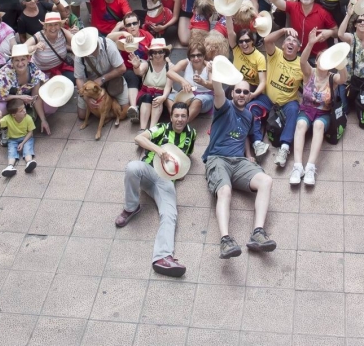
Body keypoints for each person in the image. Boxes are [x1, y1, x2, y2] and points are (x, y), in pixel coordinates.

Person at [115, 100, 196, 277]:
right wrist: (159, 150)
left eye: (183, 116)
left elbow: (186, 156)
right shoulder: (162, 128)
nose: (180, 119)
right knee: (132, 167)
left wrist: (181, 171)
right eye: (176, 116)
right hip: (148, 171)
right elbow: (138, 138)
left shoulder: (192, 134)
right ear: (171, 116)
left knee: (170, 214)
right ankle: (131, 207)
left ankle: (163, 257)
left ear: (188, 117)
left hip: (166, 182)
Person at [202, 73, 276, 259]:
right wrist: (215, 72)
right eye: (238, 91)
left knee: (266, 181)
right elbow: (218, 91)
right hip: (218, 158)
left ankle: (258, 233)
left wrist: (249, 155)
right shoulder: (224, 107)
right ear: (232, 94)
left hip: (239, 162)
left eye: (245, 92)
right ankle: (225, 241)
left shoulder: (249, 115)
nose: (242, 94)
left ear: (250, 95)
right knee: (225, 191)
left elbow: (245, 136)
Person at [289, 29, 346, 187]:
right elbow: (302, 61)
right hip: (306, 110)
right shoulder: (310, 73)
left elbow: (344, 78)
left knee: (319, 125)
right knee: (300, 124)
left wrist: (339, 62)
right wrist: (311, 42)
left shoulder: (332, 77)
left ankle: (310, 168)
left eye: (328, 59)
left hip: (323, 113)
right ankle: (297, 167)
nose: (324, 62)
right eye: (322, 58)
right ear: (317, 61)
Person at [248, 23, 304, 165]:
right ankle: (257, 143)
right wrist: (285, 29)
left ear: (298, 48)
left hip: (287, 104)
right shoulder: (276, 54)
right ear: (283, 45)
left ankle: (284, 149)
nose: (291, 43)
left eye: (294, 42)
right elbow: (267, 40)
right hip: (268, 100)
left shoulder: (301, 63)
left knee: (294, 109)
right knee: (251, 108)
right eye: (288, 40)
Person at [72, 26, 128, 121]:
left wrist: (103, 79)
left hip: (112, 79)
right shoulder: (79, 55)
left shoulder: (108, 45)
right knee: (81, 115)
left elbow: (122, 68)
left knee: (124, 111)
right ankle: (105, 109)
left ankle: (107, 108)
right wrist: (86, 98)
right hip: (90, 86)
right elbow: (79, 78)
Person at [167, 40, 214, 121]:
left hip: (204, 97)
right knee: (168, 97)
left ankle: (183, 124)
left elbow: (214, 86)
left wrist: (203, 82)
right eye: (193, 56)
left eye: (199, 55)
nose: (196, 58)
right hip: (188, 95)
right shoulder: (186, 63)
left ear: (203, 55)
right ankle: (174, 120)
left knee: (197, 100)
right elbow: (169, 73)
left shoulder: (209, 66)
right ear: (189, 57)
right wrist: (183, 81)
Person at [0, 98, 37, 177]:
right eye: (21, 111)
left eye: (24, 108)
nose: (24, 111)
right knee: (11, 150)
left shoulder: (28, 118)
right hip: (12, 139)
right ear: (14, 115)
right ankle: (10, 166)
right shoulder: (7, 118)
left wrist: (23, 143)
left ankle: (29, 162)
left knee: (27, 147)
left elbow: (30, 132)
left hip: (26, 137)